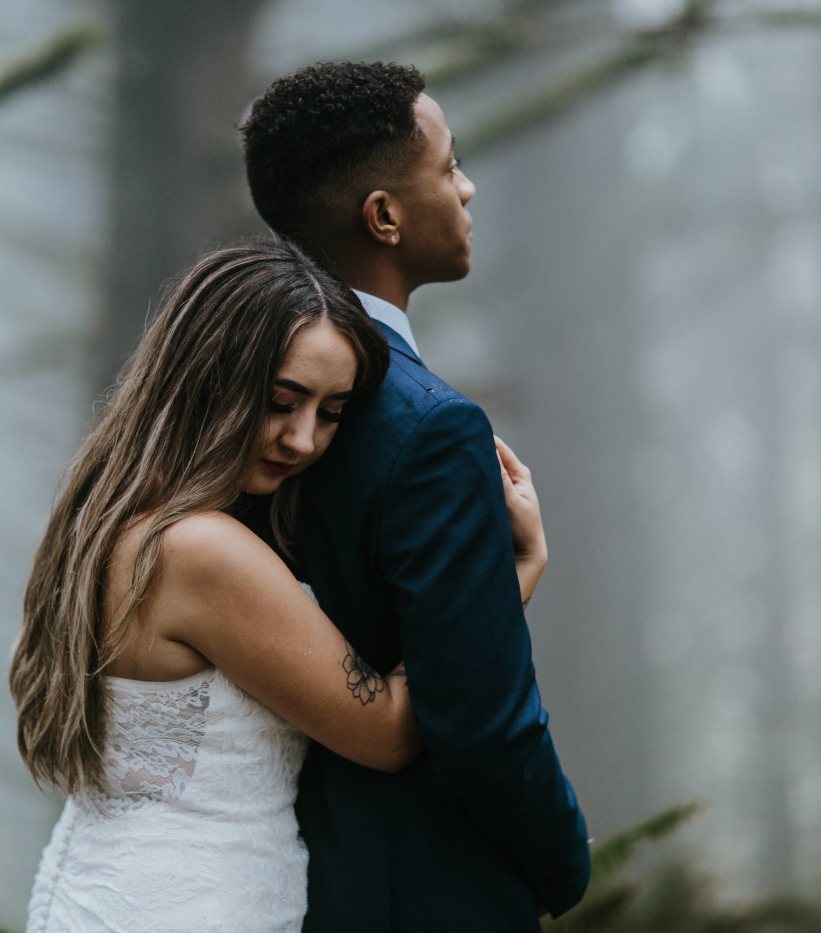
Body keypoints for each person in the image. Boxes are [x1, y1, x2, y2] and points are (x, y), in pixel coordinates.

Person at [10, 240, 548, 933]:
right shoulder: (203, 552)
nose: (303, 439)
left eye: (330, 412)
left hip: (97, 891)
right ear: (210, 377)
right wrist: (506, 581)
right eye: (281, 401)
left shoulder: (113, 518)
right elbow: (385, 731)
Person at [241, 61, 592, 931]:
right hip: (426, 890)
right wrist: (564, 860)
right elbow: (479, 720)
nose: (468, 190)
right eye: (448, 167)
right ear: (384, 215)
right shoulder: (430, 427)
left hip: (281, 876)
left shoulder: (234, 397)